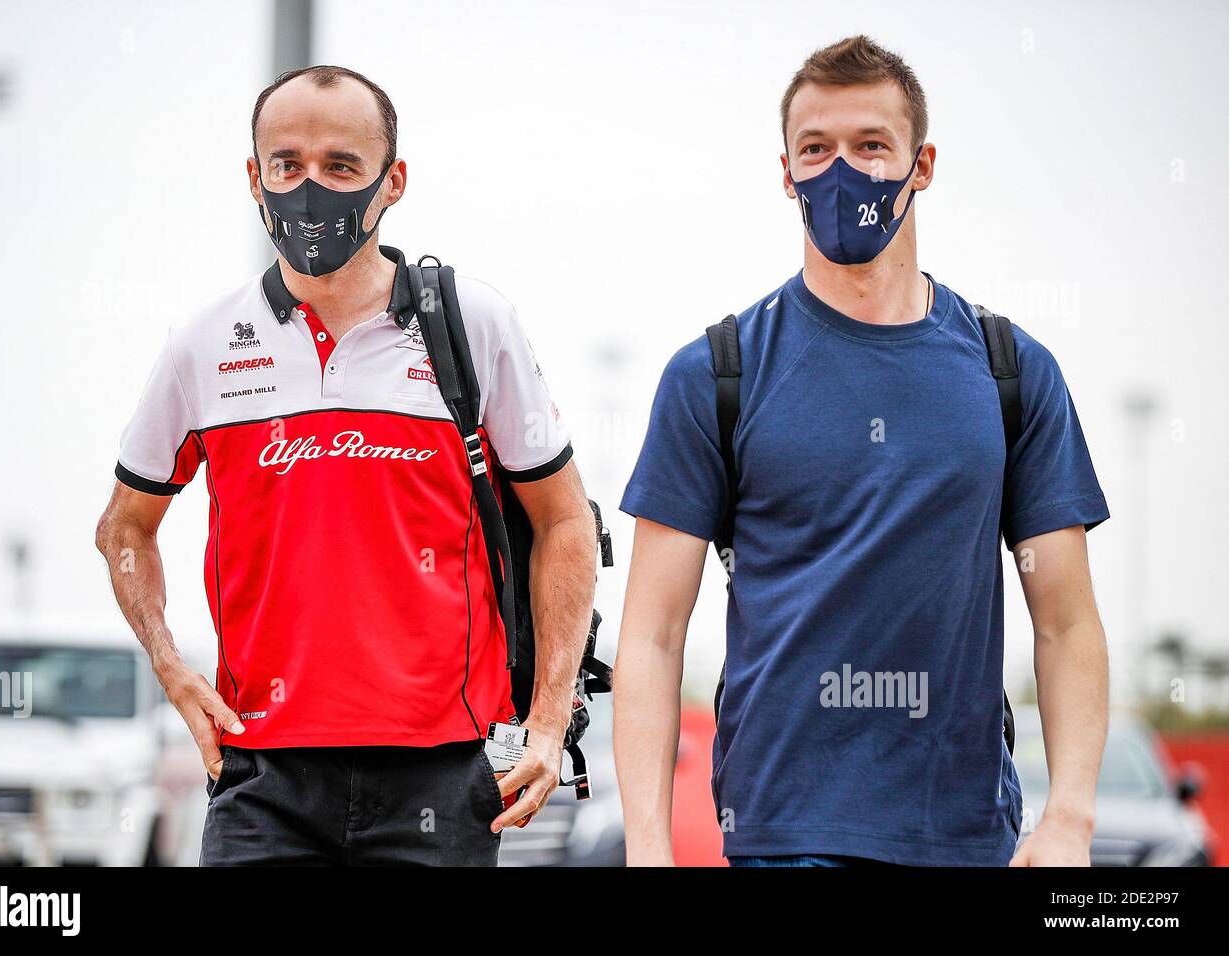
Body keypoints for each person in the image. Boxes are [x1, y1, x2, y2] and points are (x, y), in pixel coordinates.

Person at [613, 36, 1110, 867]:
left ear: (923, 165)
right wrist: (647, 849)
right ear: (786, 172)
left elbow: (1063, 622)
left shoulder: (1010, 372)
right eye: (817, 149)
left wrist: (1071, 819)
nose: (842, 171)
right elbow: (653, 637)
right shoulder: (716, 374)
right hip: (782, 836)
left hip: (963, 836)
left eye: (871, 145)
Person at [95, 65, 596, 866]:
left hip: (445, 773)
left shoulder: (473, 324)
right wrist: (170, 667)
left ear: (393, 181)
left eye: (340, 167)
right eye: (286, 165)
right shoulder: (203, 343)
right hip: (261, 773)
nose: (309, 190)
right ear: (253, 178)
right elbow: (125, 525)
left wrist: (545, 717)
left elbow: (565, 521)